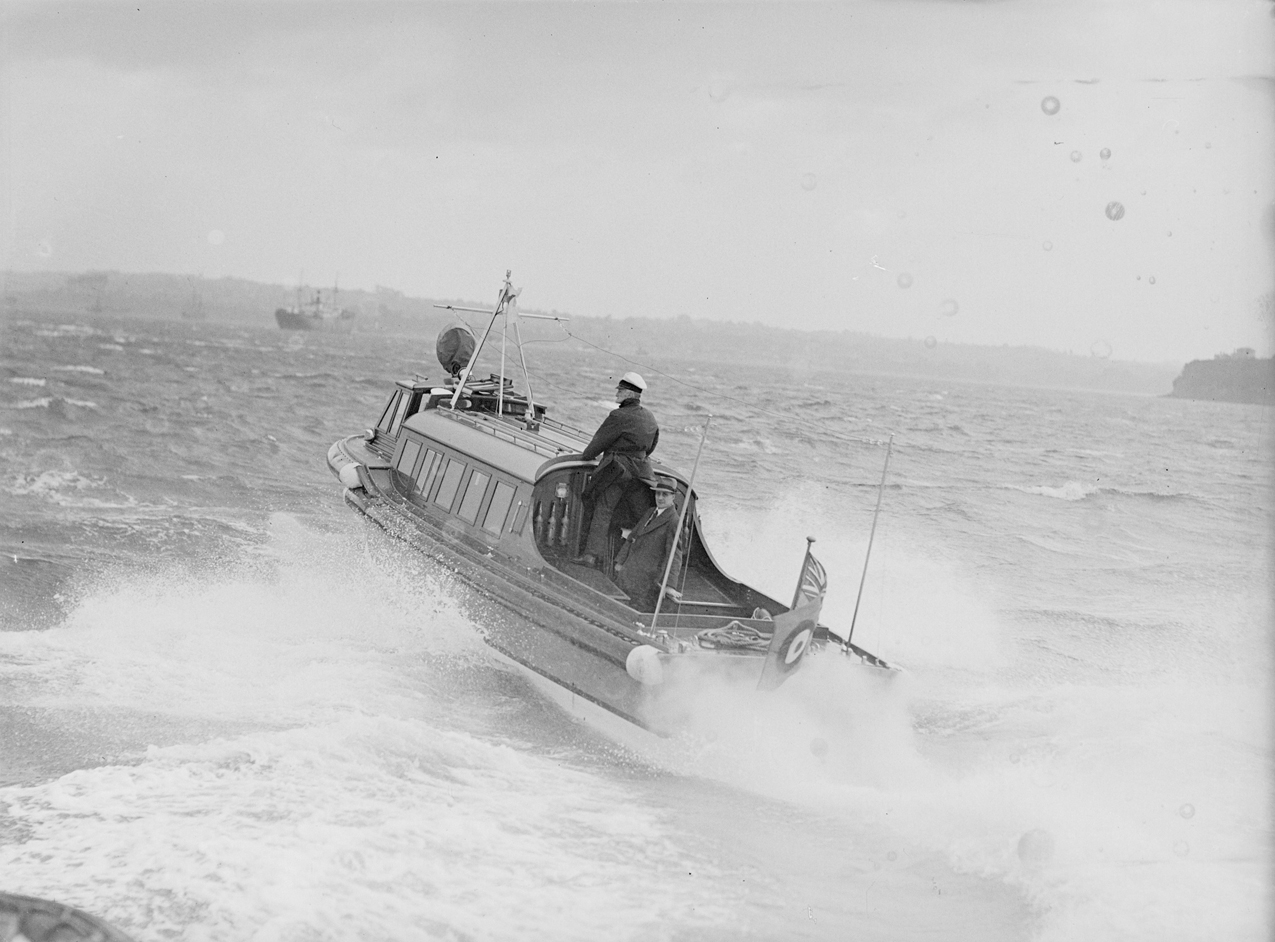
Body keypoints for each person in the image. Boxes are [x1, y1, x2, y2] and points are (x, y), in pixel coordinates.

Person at [575, 372, 659, 568]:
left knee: (603, 510)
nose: (617, 393)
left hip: (618, 471)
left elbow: (599, 442)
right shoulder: (650, 416)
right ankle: (638, 561)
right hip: (642, 474)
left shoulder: (618, 416)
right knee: (641, 516)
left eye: (620, 390)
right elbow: (651, 446)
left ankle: (591, 556)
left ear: (629, 393)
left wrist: (586, 456)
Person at [614, 477, 683, 611]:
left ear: (673, 497)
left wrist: (669, 585)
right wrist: (620, 561)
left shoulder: (674, 521)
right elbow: (632, 537)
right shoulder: (650, 512)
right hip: (628, 571)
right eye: (658, 493)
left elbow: (675, 555)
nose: (660, 498)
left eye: (665, 494)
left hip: (646, 581)